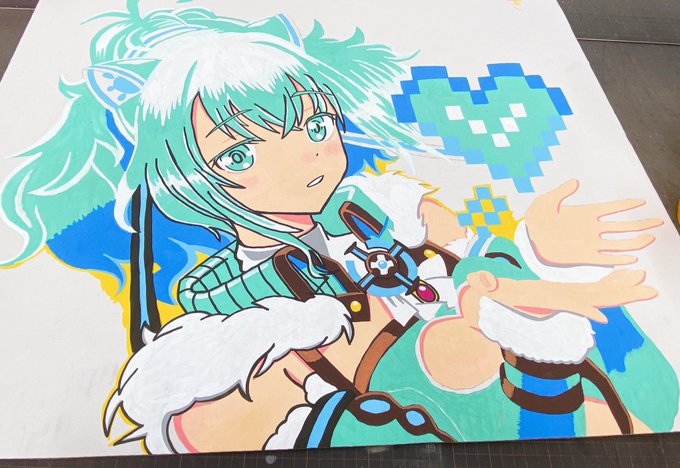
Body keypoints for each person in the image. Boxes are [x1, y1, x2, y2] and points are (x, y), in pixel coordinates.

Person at [1, 3, 674, 455]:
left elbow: (464, 256)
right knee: (455, 357)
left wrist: (528, 253)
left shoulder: (380, 206)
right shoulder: (227, 301)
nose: (306, 159)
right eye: (240, 154)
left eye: (316, 126)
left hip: (509, 360)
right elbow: (217, 417)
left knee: (591, 355)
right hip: (409, 397)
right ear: (189, 177)